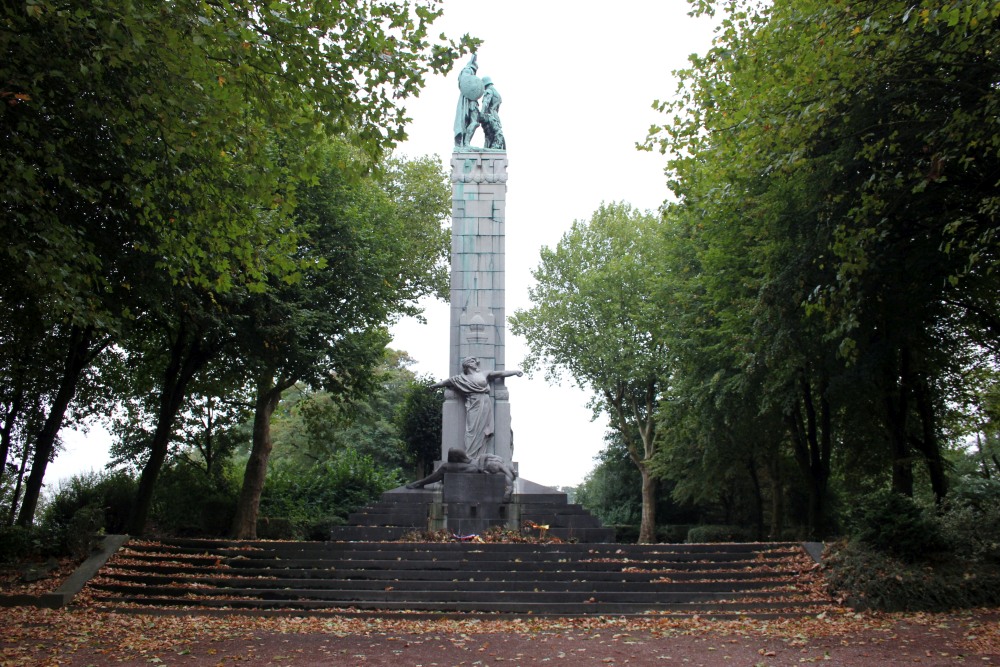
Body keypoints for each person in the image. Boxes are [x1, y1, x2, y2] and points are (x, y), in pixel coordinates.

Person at [431, 356, 521, 461]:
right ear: (468, 364)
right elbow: (445, 382)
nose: (475, 363)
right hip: (473, 404)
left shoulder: (483, 374)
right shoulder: (460, 379)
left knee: (483, 430)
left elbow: (500, 374)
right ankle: (470, 455)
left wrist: (515, 372)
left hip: (485, 402)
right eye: (473, 361)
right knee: (471, 430)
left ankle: (479, 456)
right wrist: (433, 386)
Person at [453, 54, 483, 147]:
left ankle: (466, 143)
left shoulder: (470, 72)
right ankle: (466, 143)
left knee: (473, 122)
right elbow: (465, 82)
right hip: (469, 101)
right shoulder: (467, 70)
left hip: (471, 100)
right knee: (473, 121)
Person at [479, 76, 505, 150]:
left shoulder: (489, 91)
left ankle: (493, 148)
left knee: (489, 134)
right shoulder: (497, 94)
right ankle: (492, 148)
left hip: (489, 115)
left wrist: (482, 114)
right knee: (494, 133)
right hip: (495, 115)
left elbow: (486, 103)